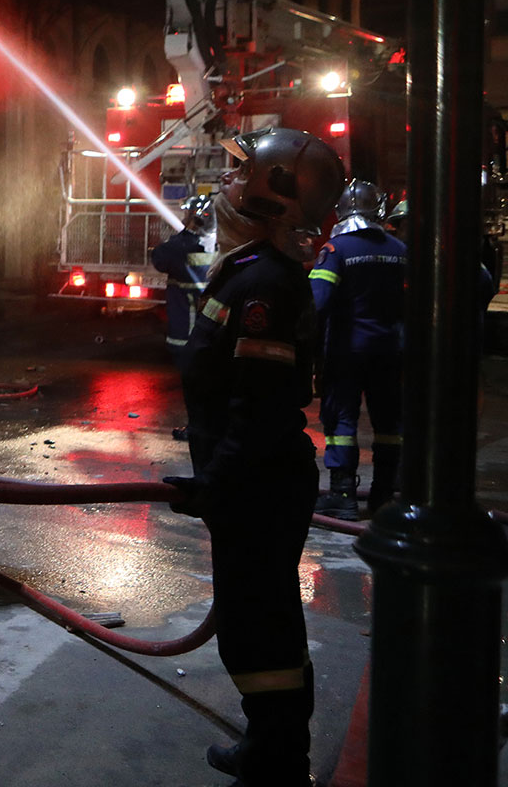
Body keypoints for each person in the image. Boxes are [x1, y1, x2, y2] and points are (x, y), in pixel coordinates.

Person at [163, 126, 343, 787]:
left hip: (256, 489)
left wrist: (217, 480)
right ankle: (271, 745)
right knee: (264, 622)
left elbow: (258, 406)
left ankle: (277, 763)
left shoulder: (262, 284)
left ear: (275, 193)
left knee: (259, 630)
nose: (228, 181)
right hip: (255, 483)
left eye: (242, 173)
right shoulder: (251, 271)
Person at [308, 180, 406, 518]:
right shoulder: (400, 250)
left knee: (341, 420)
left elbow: (317, 302)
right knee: (389, 423)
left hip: (346, 350)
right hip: (391, 350)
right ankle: (383, 495)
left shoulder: (336, 250)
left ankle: (343, 494)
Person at [152, 193, 218, 441]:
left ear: (194, 218)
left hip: (187, 333)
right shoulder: (218, 245)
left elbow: (159, 257)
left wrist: (186, 232)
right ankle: (207, 426)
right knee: (209, 383)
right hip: (211, 330)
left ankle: (198, 429)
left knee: (194, 386)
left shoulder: (183, 247)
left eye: (187, 215)